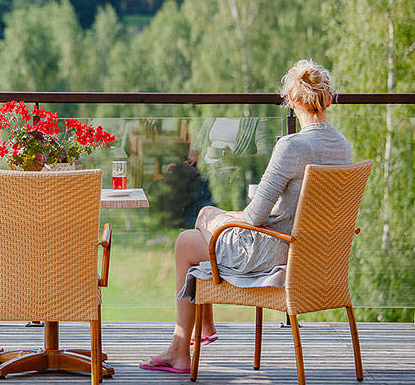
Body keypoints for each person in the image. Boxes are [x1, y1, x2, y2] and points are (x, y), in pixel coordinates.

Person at [140, 59, 352, 374]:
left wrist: (225, 217)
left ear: (291, 101)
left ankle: (182, 349)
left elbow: (254, 217)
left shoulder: (291, 147)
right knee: (204, 222)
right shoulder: (343, 147)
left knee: (190, 239)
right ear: (329, 98)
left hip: (274, 253)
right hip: (315, 257)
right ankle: (201, 329)